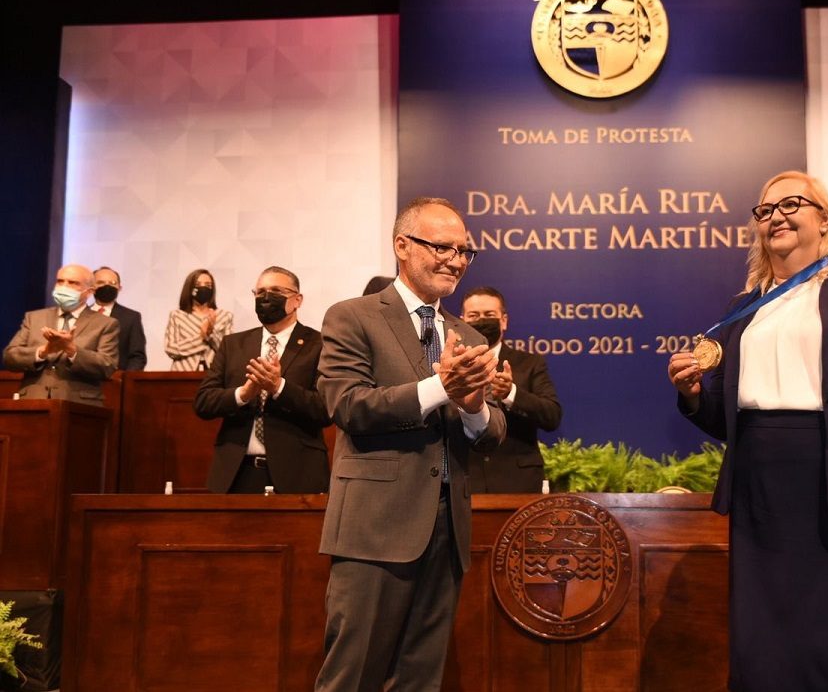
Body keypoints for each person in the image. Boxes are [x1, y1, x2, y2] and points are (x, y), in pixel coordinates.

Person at [666, 170, 828, 691]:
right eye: (765, 210)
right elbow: (729, 419)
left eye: (790, 205)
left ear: (823, 219)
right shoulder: (742, 310)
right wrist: (693, 394)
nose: (775, 217)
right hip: (760, 499)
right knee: (765, 651)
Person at [314, 197, 506, 691]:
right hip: (374, 527)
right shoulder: (352, 316)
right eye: (442, 248)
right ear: (402, 246)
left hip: (447, 532)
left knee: (420, 679)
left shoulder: (467, 335)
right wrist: (441, 387)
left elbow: (491, 433)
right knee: (352, 675)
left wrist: (473, 406)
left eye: (464, 252)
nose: (455, 261)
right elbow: (348, 405)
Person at [193, 266, 331, 494]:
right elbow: (203, 402)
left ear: (297, 300)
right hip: (235, 474)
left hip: (297, 474)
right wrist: (243, 395)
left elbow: (326, 409)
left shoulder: (320, 345)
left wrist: (279, 387)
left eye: (276, 291)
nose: (266, 298)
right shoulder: (233, 344)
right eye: (260, 292)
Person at [460, 285, 562, 493]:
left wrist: (511, 394)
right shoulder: (452, 366)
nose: (481, 321)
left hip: (517, 481)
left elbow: (552, 416)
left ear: (504, 320)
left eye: (489, 315)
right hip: (466, 478)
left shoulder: (530, 363)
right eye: (474, 315)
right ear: (462, 321)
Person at [3, 263, 120, 405]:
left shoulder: (105, 323)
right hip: (32, 402)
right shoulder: (34, 318)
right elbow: (10, 357)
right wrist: (43, 352)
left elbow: (107, 366)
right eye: (60, 281)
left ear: (89, 291)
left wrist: (72, 350)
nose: (64, 287)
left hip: (78, 404)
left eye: (73, 283)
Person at [164, 268, 233, 370]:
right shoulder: (177, 315)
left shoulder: (224, 316)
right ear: (190, 288)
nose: (203, 288)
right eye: (198, 284)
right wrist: (201, 338)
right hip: (182, 373)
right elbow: (170, 348)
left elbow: (228, 351)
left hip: (214, 373)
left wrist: (211, 334)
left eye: (208, 285)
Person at [91, 266, 147, 371]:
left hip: (116, 377)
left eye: (112, 283)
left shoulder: (131, 317)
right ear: (91, 287)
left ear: (119, 288)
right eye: (101, 282)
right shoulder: (81, 314)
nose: (107, 286)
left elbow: (137, 356)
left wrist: (125, 378)